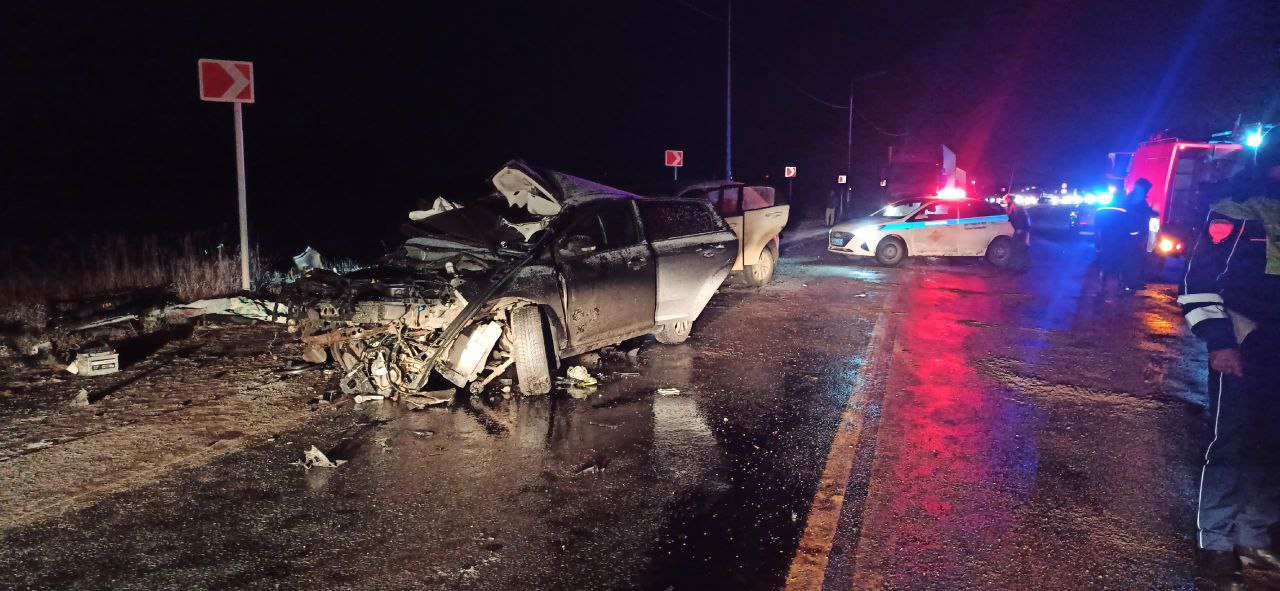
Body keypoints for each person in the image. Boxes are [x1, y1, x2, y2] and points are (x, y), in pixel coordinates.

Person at [1179, 140, 1280, 590]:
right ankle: (1215, 541)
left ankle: (1254, 534)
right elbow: (1198, 282)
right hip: (1242, 341)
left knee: (1272, 444)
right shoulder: (1232, 212)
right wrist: (1220, 342)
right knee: (1232, 443)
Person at [1120, 179, 1158, 291]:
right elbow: (1138, 213)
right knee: (1133, 259)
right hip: (1133, 234)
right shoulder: (1135, 199)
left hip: (1136, 233)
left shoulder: (1133, 198)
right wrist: (1152, 213)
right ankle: (1130, 282)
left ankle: (1132, 281)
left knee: (1136, 258)